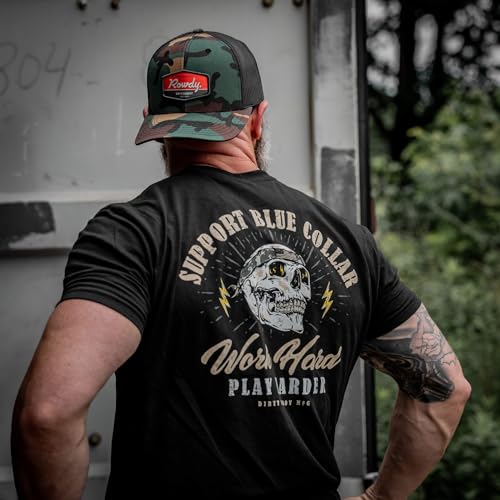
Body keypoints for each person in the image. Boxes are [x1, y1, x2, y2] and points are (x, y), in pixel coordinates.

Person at [11, 29, 470, 500]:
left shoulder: (133, 234)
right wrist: (381, 497)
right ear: (257, 119)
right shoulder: (350, 241)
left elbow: (49, 414)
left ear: (156, 124)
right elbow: (444, 387)